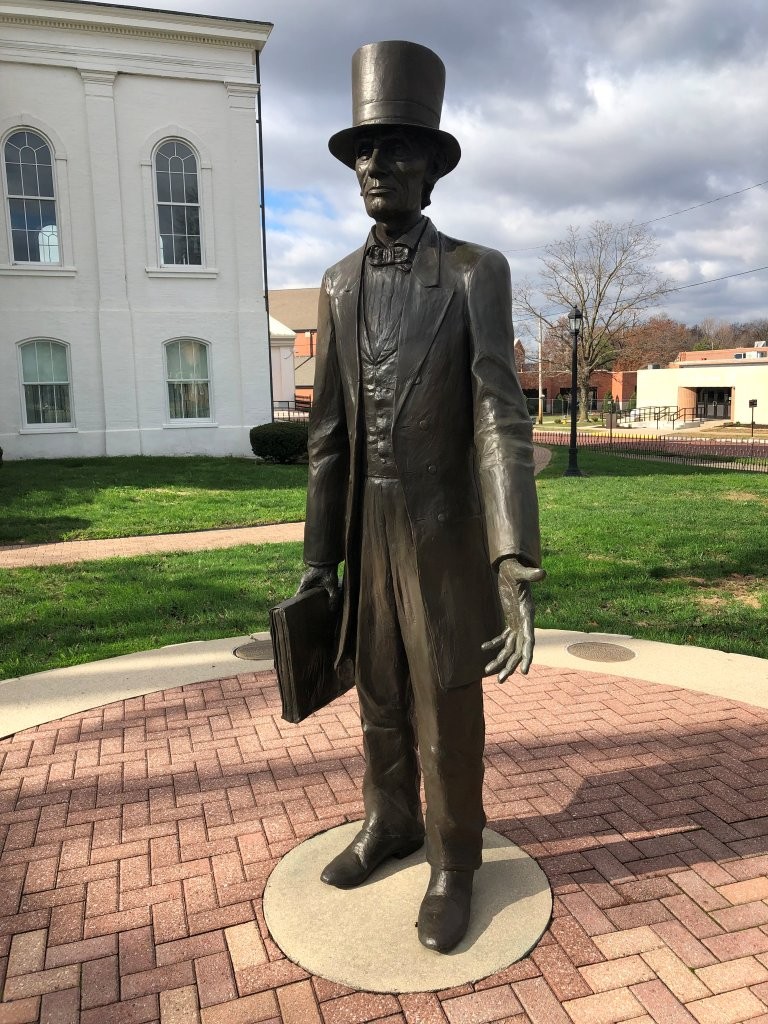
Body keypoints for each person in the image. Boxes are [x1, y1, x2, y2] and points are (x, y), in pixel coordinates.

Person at [297, 40, 543, 953]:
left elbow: (499, 419)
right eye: (363, 152)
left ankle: (454, 860)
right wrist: (319, 560)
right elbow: (326, 436)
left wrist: (512, 554)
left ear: (432, 169)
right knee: (381, 690)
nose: (373, 166)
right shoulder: (336, 283)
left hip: (442, 529)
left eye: (394, 149)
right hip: (366, 520)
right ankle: (390, 820)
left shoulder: (478, 272)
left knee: (448, 698)